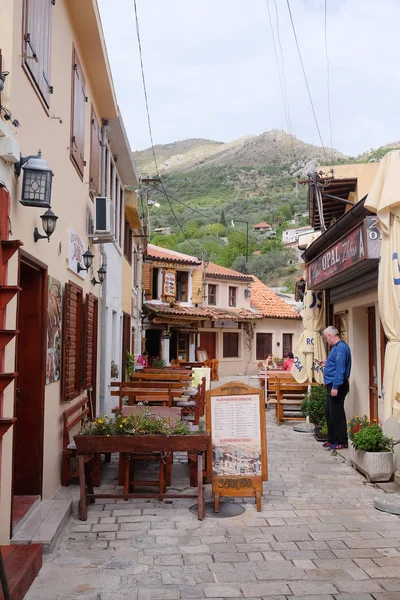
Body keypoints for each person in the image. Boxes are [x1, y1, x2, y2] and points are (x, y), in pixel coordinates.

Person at [321, 326, 351, 450]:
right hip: (332, 383)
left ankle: (342, 440)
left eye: (326, 338)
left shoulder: (341, 348)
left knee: (336, 413)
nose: (326, 340)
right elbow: (335, 364)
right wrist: (326, 362)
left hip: (336, 384)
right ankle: (332, 438)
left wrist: (335, 387)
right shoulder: (336, 348)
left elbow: (340, 369)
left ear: (330, 336)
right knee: (329, 412)